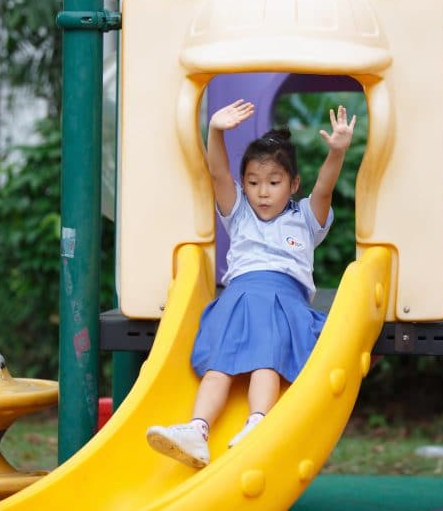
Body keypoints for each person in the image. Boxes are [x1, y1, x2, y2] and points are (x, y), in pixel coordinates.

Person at [146, 99, 357, 469]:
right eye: (254, 182)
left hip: (282, 299)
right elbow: (218, 174)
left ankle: (258, 421)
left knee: (267, 359)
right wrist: (214, 130)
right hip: (240, 296)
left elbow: (324, 189)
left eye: (274, 183)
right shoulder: (240, 213)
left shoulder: (305, 218)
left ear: (293, 184)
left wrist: (337, 151)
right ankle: (198, 430)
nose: (262, 192)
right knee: (219, 365)